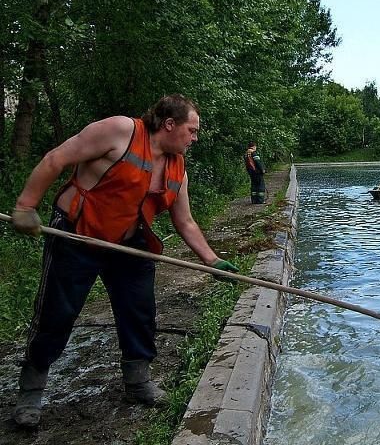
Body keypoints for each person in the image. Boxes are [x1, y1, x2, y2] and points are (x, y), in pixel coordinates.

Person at [10, 94, 239, 427]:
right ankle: (31, 389)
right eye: (191, 130)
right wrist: (26, 206)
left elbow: (185, 221)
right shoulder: (120, 131)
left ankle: (137, 381)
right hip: (78, 236)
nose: (195, 138)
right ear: (169, 124)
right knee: (57, 313)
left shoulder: (178, 167)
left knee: (139, 311)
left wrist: (212, 260)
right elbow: (55, 159)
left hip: (129, 244)